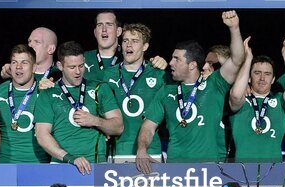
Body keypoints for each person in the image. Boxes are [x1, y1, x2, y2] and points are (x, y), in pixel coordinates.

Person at [135, 11, 244, 172]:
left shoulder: (214, 85)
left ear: (192, 65)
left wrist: (234, 28)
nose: (170, 62)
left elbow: (236, 59)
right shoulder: (166, 91)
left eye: (176, 59)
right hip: (175, 169)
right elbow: (148, 127)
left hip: (209, 170)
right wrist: (142, 149)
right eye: (172, 58)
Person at [34, 41, 123, 173]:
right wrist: (70, 158)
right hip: (62, 164)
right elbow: (42, 135)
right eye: (72, 67)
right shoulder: (48, 94)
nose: (78, 72)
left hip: (96, 165)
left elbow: (118, 127)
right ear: (60, 65)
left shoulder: (100, 88)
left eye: (81, 66)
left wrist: (94, 120)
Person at [228, 36, 285, 162]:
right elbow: (235, 95)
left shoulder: (280, 101)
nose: (262, 78)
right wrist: (248, 60)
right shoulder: (242, 99)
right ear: (249, 78)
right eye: (257, 73)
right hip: (242, 170)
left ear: (273, 79)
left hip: (272, 172)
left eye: (267, 74)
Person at [106, 23, 169, 163]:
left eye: (135, 41)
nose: (129, 45)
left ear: (145, 46)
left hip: (151, 151)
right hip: (117, 151)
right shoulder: (108, 74)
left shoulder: (159, 74)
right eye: (125, 40)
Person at [0, 44, 50, 163]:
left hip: (39, 165)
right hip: (5, 165)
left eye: (24, 63)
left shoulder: (45, 92)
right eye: (14, 62)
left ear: (34, 68)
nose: (18, 67)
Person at [83, 10, 123, 84]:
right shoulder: (83, 58)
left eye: (109, 25)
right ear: (95, 32)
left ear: (118, 31)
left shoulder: (128, 58)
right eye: (100, 25)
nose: (104, 30)